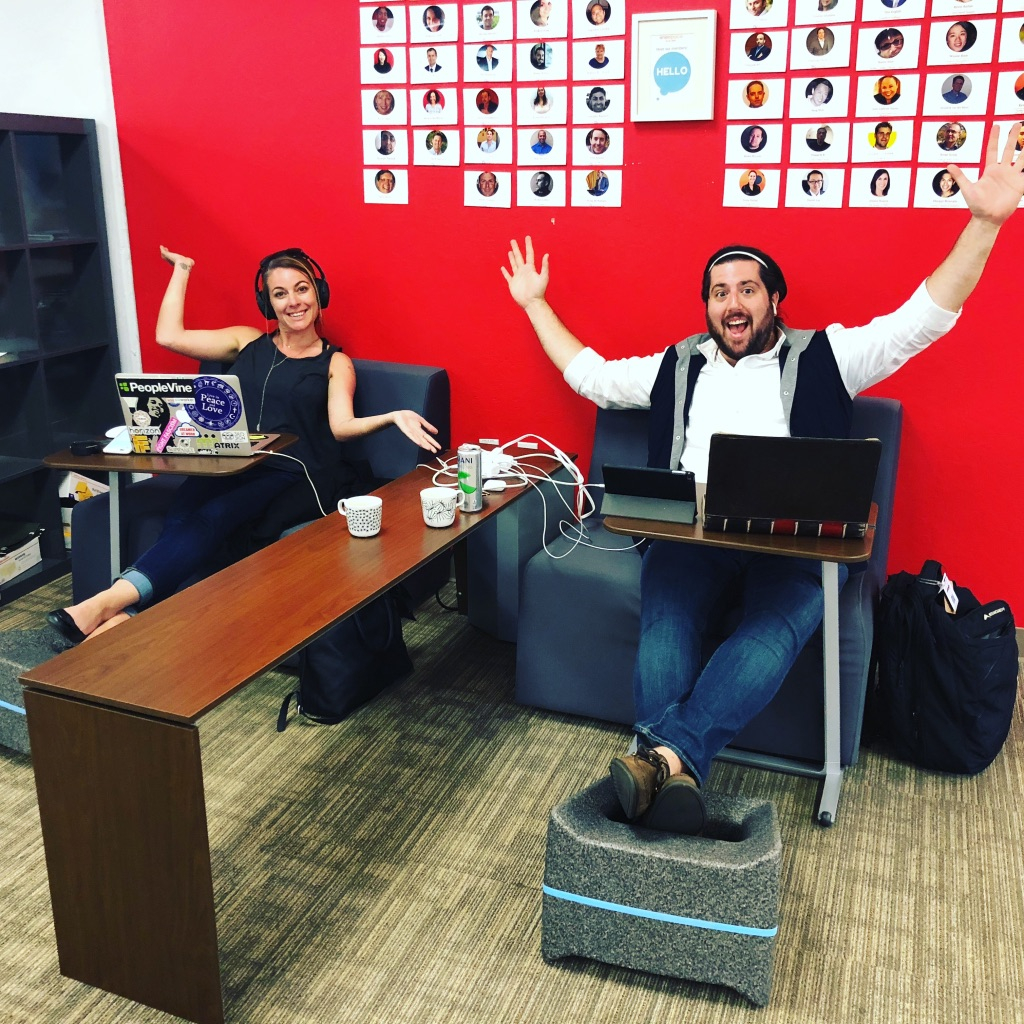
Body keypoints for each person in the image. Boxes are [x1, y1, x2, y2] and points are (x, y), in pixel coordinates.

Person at [499, 124, 1024, 833]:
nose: (732, 303)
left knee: (773, 631)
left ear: (775, 297)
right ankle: (672, 771)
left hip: (797, 539)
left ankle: (660, 759)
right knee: (667, 623)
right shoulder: (677, 363)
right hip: (691, 533)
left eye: (747, 288)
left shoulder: (831, 354)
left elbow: (921, 319)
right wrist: (534, 303)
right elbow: (587, 373)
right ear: (708, 305)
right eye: (719, 292)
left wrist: (984, 226)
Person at [46, 247, 440, 645]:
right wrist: (182, 270)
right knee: (182, 516)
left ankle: (104, 604)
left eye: (302, 289)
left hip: (293, 469)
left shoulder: (335, 362)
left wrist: (392, 416)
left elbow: (341, 427)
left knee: (212, 517)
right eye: (280, 293)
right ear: (266, 302)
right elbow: (167, 336)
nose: (294, 302)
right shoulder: (246, 341)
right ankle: (126, 615)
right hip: (232, 461)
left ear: (319, 294)